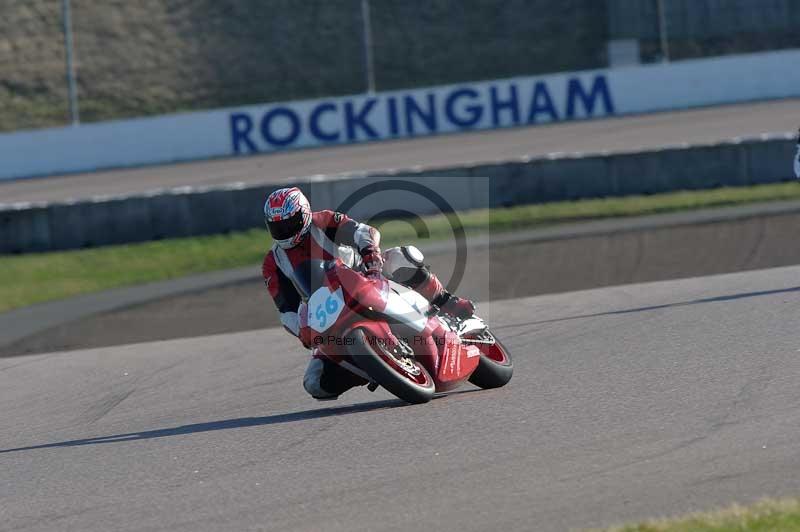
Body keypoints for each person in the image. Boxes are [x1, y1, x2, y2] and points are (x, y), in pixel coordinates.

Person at [261, 187, 475, 400]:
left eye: (290, 223)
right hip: (329, 312)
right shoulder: (273, 262)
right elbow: (286, 309)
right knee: (314, 382)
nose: (285, 231)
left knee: (401, 257)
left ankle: (447, 302)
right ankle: (372, 366)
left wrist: (371, 257)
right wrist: (302, 331)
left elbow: (364, 232)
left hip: (365, 278)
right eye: (278, 227)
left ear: (305, 215)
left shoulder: (324, 221)